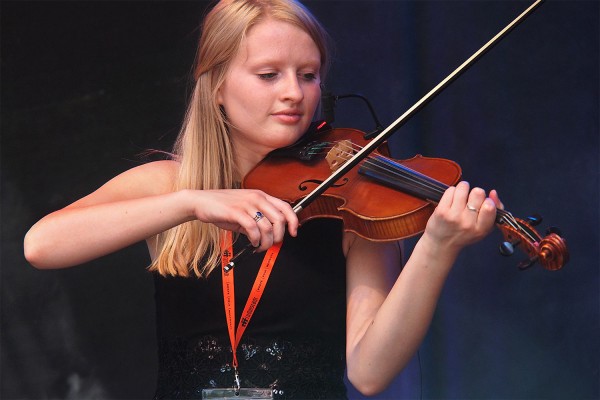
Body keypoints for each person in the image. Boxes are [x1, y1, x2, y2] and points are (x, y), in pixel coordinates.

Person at [23, 0, 501, 398]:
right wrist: (193, 203)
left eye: (309, 75)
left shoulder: (351, 201)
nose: (294, 93)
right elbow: (42, 245)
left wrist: (437, 248)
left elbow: (370, 372)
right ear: (216, 88)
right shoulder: (169, 186)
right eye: (269, 74)